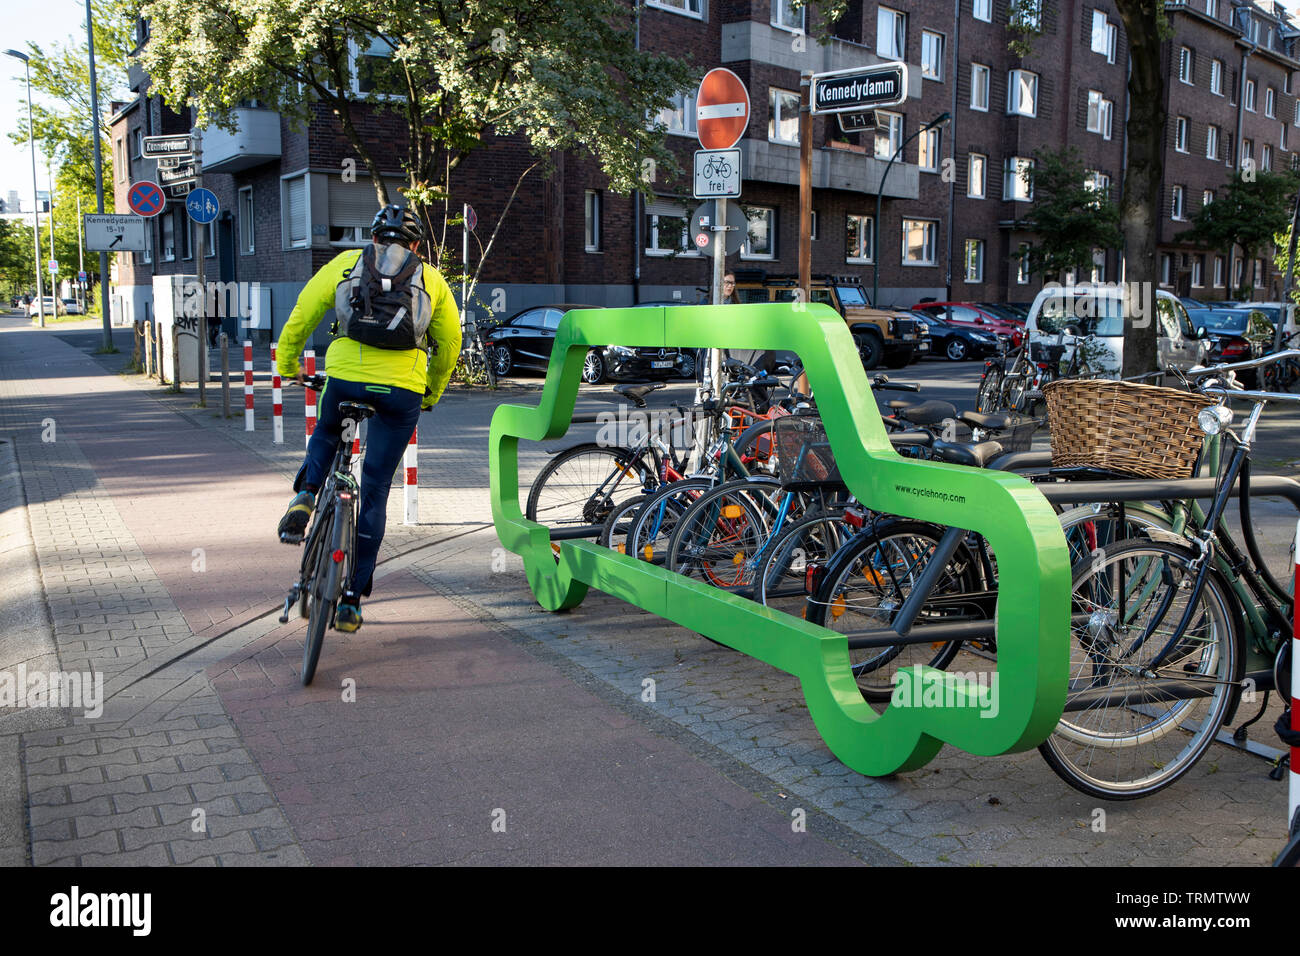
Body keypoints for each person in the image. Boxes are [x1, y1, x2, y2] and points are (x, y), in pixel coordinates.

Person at [274, 204, 461, 633]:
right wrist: (430, 391)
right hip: (401, 392)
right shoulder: (431, 278)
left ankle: (306, 493)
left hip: (344, 381)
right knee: (375, 487)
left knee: (326, 432)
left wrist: (288, 366)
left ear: (373, 237)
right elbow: (450, 342)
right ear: (416, 245)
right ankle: (352, 601)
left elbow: (303, 313)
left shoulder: (347, 263)